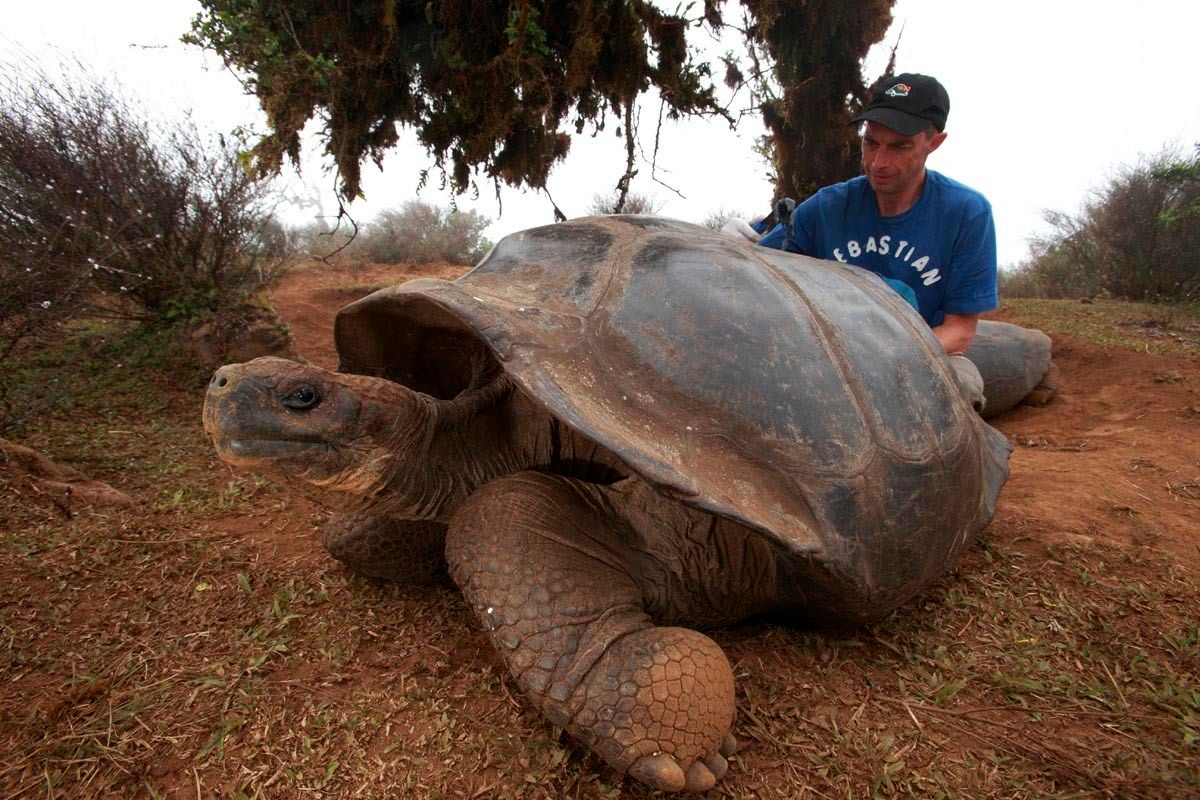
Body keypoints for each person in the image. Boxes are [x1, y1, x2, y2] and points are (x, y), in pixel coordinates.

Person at [724, 73, 995, 410]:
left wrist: (885, 361)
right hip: (826, 359)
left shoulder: (967, 213)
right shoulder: (827, 206)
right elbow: (758, 270)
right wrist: (729, 250)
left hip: (921, 358)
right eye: (871, 143)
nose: (879, 162)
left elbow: (960, 332)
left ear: (934, 142)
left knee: (963, 387)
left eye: (899, 146)